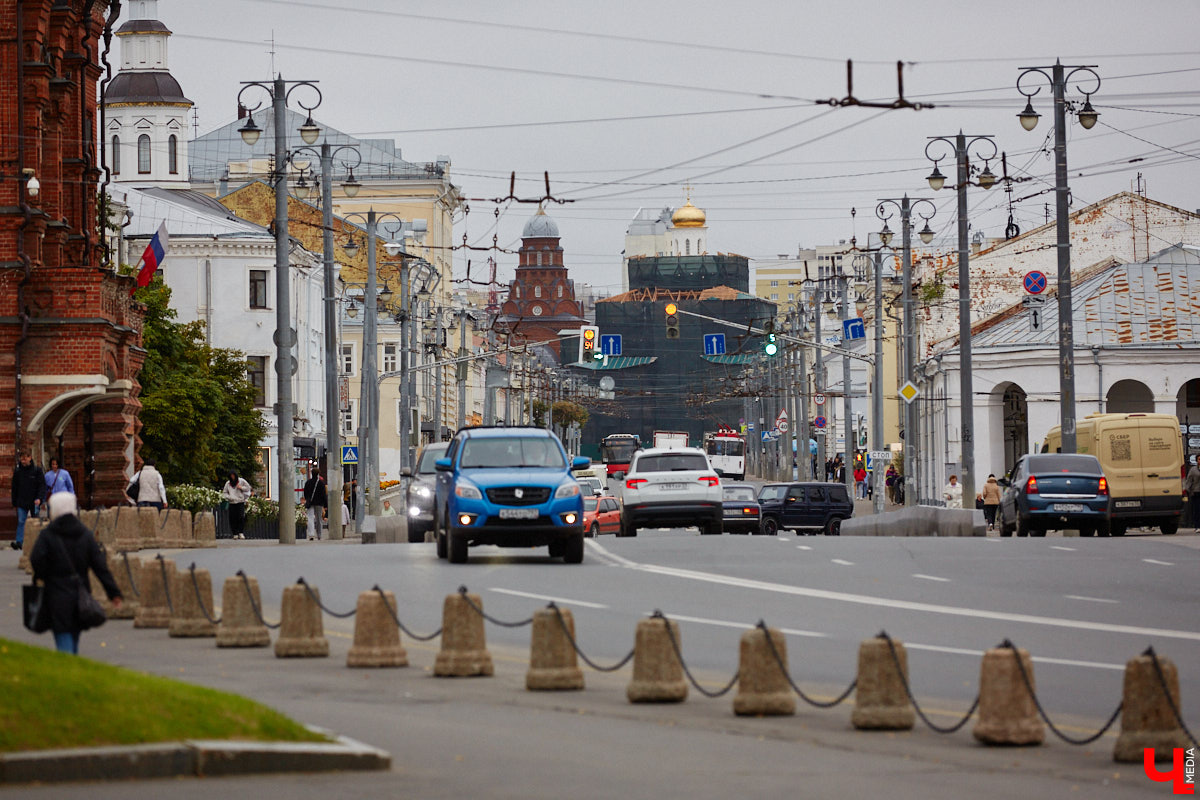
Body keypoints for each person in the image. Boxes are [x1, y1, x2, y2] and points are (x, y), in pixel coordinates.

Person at [29, 492, 123, 654]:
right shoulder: (84, 534)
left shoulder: (48, 535)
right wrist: (113, 592)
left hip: (56, 592)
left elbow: (37, 560)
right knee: (74, 634)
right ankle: (73, 665)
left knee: (62, 635)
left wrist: (42, 576)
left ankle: (68, 670)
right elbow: (100, 566)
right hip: (80, 592)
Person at [11, 451, 44, 550]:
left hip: (34, 501)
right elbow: (14, 487)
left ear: (30, 458)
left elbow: (42, 486)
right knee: (21, 521)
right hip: (22, 500)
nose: (23, 461)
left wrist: (39, 498)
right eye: (21, 459)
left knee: (35, 521)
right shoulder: (18, 472)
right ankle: (19, 542)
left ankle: (37, 541)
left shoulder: (37, 471)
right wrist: (14, 502)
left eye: (24, 458)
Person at [222, 470, 252, 540]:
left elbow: (248, 488)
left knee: (241, 517)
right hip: (232, 503)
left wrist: (241, 488)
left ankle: (240, 532)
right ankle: (235, 533)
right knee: (232, 518)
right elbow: (225, 492)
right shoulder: (228, 483)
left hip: (240, 501)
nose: (232, 477)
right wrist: (229, 497)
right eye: (231, 476)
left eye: (233, 475)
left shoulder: (241, 481)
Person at [302, 466, 327, 541]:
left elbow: (305, 493)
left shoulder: (308, 482)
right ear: (318, 474)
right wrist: (325, 504)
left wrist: (308, 499)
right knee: (319, 519)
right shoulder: (321, 483)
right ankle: (319, 534)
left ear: (312, 473)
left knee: (310, 518)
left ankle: (311, 534)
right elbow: (323, 494)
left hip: (310, 503)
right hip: (319, 503)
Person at [1185, 460, 1200, 529]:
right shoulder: (1193, 470)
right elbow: (1189, 480)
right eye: (1199, 459)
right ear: (1197, 460)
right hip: (1196, 492)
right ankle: (1197, 526)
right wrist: (1187, 489)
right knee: (1197, 509)